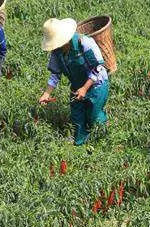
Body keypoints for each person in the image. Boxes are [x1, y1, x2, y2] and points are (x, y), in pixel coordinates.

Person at [38, 18, 110, 146]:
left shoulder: (85, 43)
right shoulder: (57, 52)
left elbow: (97, 68)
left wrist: (85, 88)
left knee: (94, 115)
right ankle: (80, 142)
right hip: (77, 85)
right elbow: (55, 74)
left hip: (96, 84)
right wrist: (46, 94)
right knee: (77, 116)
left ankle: (102, 140)